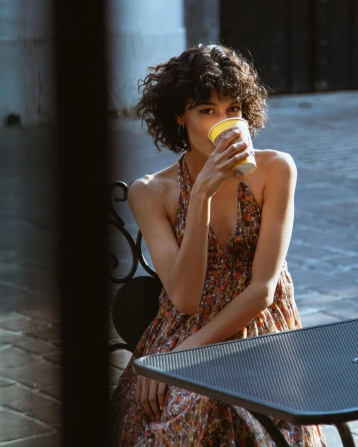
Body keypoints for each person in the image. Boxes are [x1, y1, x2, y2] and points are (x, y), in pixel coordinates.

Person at [111, 44, 327, 446]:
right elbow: (186, 299)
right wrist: (201, 198)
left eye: (233, 110)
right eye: (207, 110)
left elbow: (263, 290)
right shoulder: (149, 192)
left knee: (247, 420)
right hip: (186, 326)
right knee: (168, 421)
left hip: (258, 329)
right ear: (180, 116)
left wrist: (177, 359)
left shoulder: (275, 169)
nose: (224, 123)